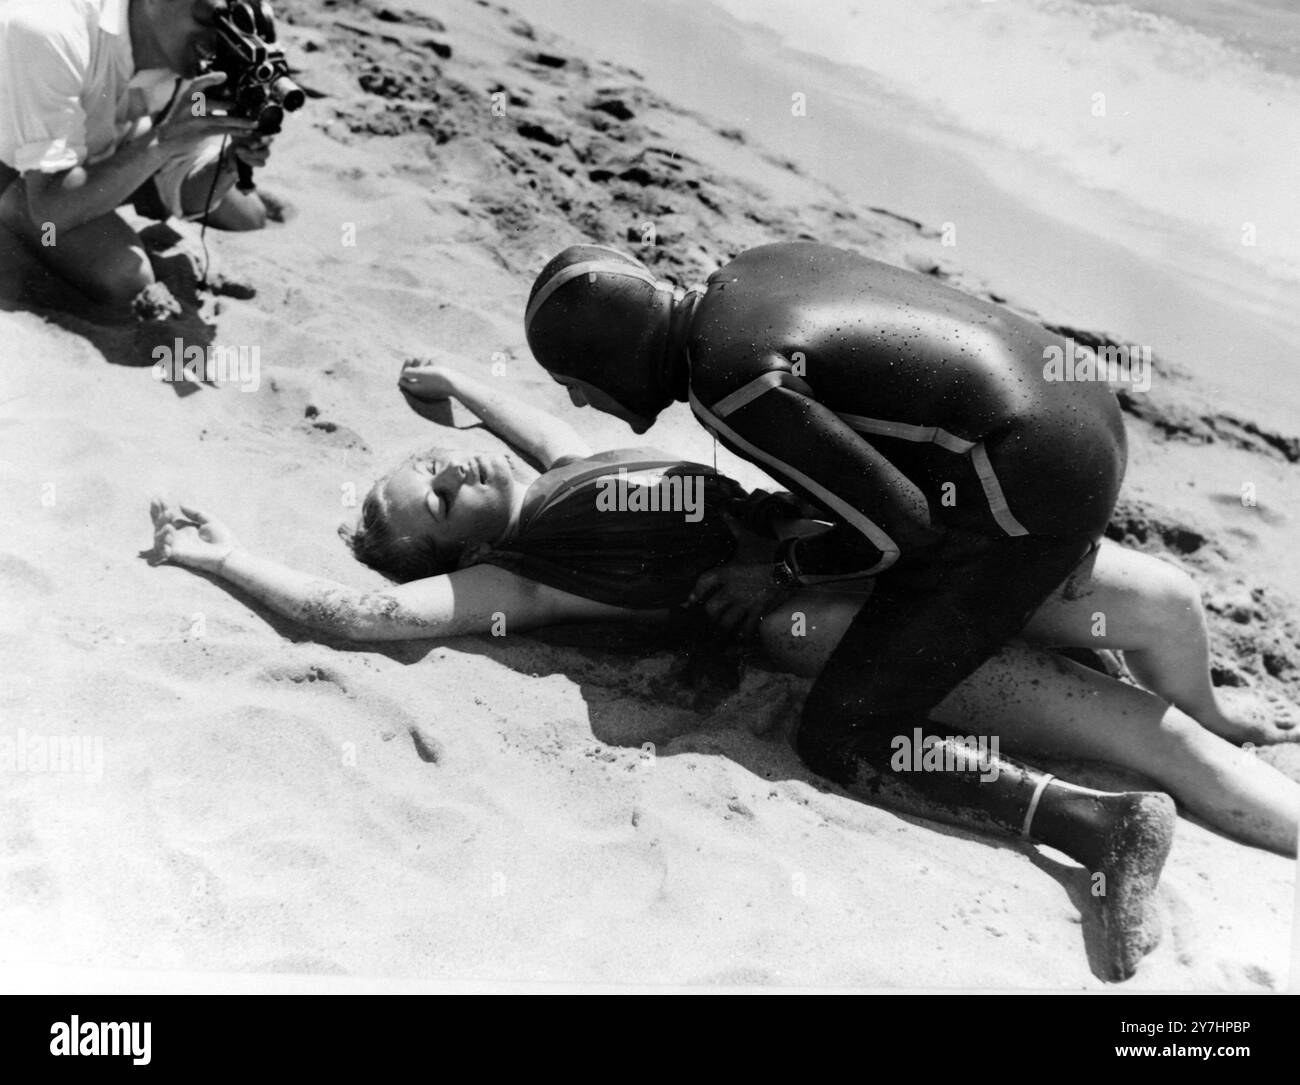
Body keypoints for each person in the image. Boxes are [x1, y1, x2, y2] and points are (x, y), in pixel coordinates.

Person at [151, 359, 1300, 980]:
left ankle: (1220, 712)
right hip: (825, 623)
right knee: (1142, 734)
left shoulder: (568, 476)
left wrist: (460, 382)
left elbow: (536, 440)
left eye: (430, 462)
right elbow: (358, 619)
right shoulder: (520, 578)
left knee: (1163, 598)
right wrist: (214, 555)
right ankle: (1171, 791)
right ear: (459, 548)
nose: (445, 468)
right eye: (432, 500)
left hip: (851, 540)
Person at [0, 0, 273, 318]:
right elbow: (50, 206)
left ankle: (108, 188)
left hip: (110, 139)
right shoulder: (49, 28)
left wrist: (230, 158)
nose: (220, 31)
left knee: (249, 217)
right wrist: (161, 144)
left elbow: (187, 190)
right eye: (210, 13)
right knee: (127, 275)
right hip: (28, 175)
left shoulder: (186, 38)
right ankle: (12, 207)